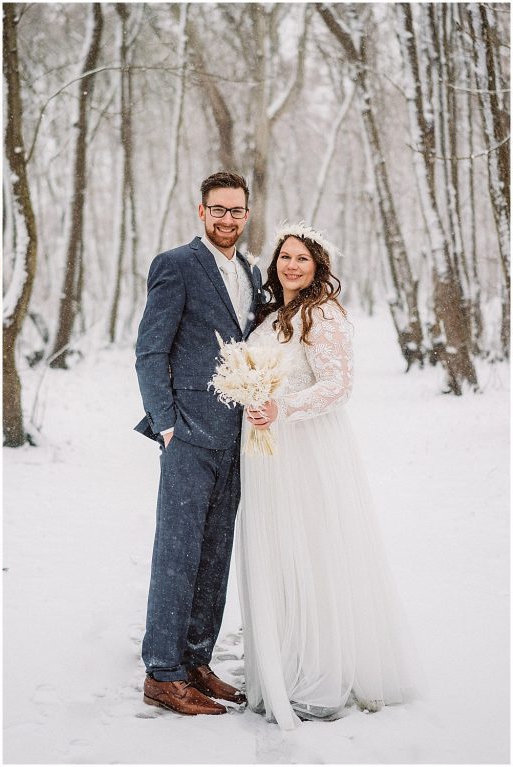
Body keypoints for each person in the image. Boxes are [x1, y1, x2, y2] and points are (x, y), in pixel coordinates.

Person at [239, 222, 417, 729]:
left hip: (306, 449)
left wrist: (282, 408)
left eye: (303, 260)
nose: (291, 266)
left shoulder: (322, 315)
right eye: (285, 257)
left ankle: (318, 670)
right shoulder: (273, 313)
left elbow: (338, 385)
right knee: (275, 553)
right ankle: (282, 661)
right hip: (266, 452)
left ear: (318, 268)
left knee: (308, 550)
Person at [133, 171, 262, 715]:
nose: (227, 219)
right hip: (186, 434)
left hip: (238, 439)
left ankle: (196, 660)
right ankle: (162, 674)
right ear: (201, 211)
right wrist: (166, 424)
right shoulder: (176, 265)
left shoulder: (255, 273)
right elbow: (150, 351)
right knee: (177, 555)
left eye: (236, 211)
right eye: (218, 210)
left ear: (246, 214)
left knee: (215, 554)